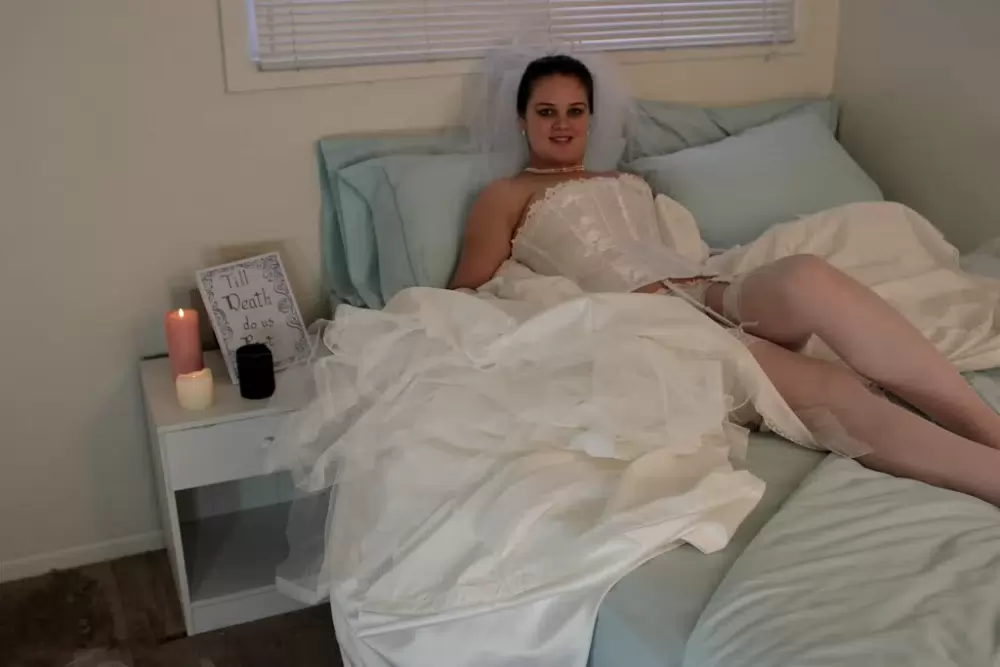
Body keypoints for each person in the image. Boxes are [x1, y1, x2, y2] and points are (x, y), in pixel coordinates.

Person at [450, 54, 1000, 506]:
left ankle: (988, 427)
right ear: (522, 119)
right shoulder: (505, 196)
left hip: (705, 285)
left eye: (575, 110)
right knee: (831, 388)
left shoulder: (625, 179)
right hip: (651, 324)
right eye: (546, 111)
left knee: (807, 277)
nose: (562, 124)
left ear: (592, 117)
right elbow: (468, 292)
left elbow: (672, 247)